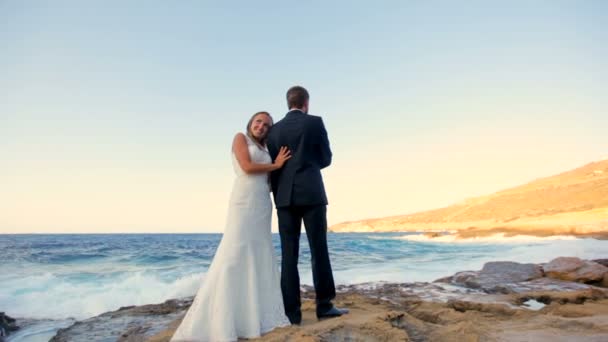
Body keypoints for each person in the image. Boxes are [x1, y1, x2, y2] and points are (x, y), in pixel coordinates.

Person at [171, 111, 292, 341]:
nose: (262, 126)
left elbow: (267, 183)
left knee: (260, 255)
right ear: (250, 123)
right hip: (243, 201)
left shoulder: (267, 149)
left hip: (262, 204)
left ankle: (253, 315)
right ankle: (222, 318)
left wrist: (280, 169)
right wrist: (276, 166)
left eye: (267, 125)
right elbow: (246, 166)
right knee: (234, 253)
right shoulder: (240, 138)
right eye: (258, 122)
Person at [267, 86, 348, 325]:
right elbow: (326, 158)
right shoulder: (315, 122)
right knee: (318, 250)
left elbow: (274, 163)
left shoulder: (274, 131)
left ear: (288, 102)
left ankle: (292, 314)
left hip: (284, 198)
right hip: (312, 194)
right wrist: (308, 164)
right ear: (306, 103)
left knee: (288, 256)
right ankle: (324, 306)